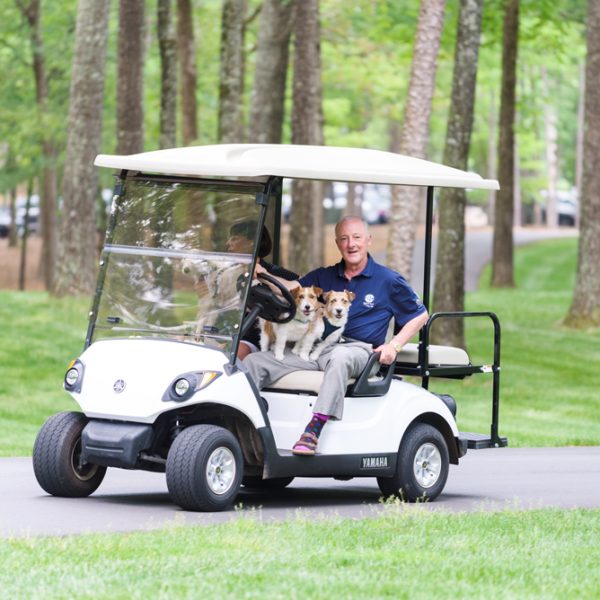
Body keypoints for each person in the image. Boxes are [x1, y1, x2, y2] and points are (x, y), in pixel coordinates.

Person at [244, 216, 429, 455]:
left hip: (359, 352)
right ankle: (244, 427)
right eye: (344, 239)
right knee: (254, 362)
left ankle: (313, 430)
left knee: (340, 355)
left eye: (356, 238)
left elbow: (419, 315)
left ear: (368, 240)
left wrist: (393, 345)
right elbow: (292, 290)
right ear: (337, 243)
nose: (351, 244)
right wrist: (262, 276)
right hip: (316, 348)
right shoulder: (325, 276)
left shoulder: (388, 280)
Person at [226, 220, 298, 359]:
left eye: (234, 238)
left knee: (231, 354)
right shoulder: (227, 274)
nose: (228, 243)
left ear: (252, 242)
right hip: (227, 333)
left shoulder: (277, 274)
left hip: (256, 337)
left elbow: (300, 289)